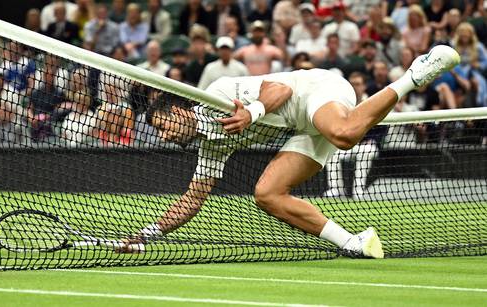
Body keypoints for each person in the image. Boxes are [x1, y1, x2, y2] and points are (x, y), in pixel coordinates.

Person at [118, 45, 461, 258]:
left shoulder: (217, 94)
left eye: (163, 126)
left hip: (317, 90)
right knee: (267, 194)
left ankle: (413, 76)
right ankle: (352, 242)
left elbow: (279, 89)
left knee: (343, 133)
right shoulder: (210, 145)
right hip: (304, 127)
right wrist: (145, 236)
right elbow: (192, 200)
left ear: (178, 112)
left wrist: (251, 112)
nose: (163, 137)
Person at [323, 72, 388, 199]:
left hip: (367, 144)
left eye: (357, 84)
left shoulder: (373, 102)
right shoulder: (342, 103)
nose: (354, 87)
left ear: (364, 86)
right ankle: (335, 189)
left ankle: (358, 190)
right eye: (352, 84)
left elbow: (383, 126)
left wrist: (373, 140)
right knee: (331, 153)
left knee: (366, 151)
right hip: (347, 144)